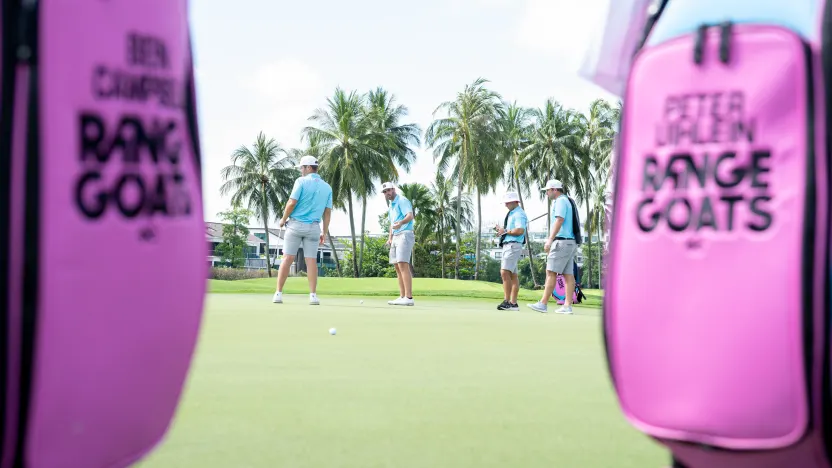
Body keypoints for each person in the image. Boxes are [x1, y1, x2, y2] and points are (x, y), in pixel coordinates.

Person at [273, 155, 333, 305]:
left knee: (287, 258)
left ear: (307, 167)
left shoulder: (301, 181)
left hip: (295, 225)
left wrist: (283, 218)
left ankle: (278, 294)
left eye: (302, 168)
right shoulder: (327, 187)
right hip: (314, 227)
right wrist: (324, 232)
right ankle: (313, 296)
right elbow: (327, 212)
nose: (301, 171)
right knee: (311, 261)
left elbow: (292, 202)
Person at [528, 179, 581, 314]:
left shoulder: (560, 201)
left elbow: (559, 220)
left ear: (554, 190)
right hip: (570, 242)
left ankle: (543, 303)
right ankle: (567, 306)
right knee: (568, 275)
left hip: (561, 242)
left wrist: (550, 240)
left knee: (550, 272)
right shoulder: (566, 200)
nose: (546, 193)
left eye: (548, 191)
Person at [382, 182, 415, 306]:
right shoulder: (391, 205)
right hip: (395, 236)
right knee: (397, 266)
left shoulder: (402, 200)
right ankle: (402, 296)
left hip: (405, 234)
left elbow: (410, 216)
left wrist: (401, 223)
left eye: (389, 190)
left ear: (393, 189)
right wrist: (389, 238)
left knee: (403, 264)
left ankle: (409, 298)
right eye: (385, 192)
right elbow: (392, 223)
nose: (387, 193)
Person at [495, 192, 528, 311]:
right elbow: (511, 230)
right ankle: (513, 303)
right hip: (509, 245)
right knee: (512, 275)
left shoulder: (518, 214)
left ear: (515, 202)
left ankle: (507, 301)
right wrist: (503, 231)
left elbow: (519, 230)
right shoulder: (512, 213)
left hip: (513, 245)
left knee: (504, 272)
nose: (506, 205)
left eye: (507, 203)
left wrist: (506, 231)